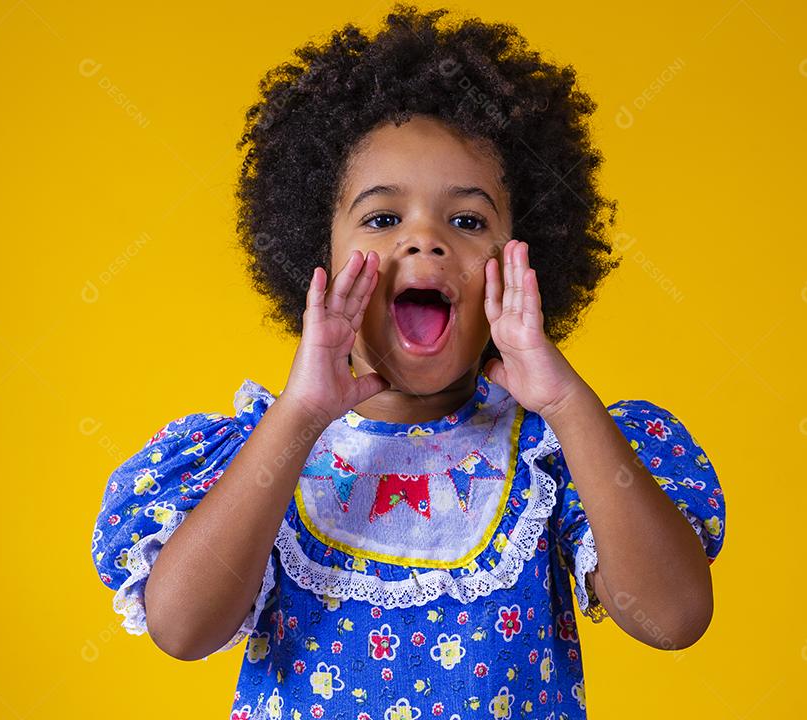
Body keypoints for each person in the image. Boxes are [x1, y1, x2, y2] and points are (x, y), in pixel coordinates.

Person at [89, 5, 726, 718]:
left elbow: (674, 618)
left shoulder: (552, 456)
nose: (424, 240)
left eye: (467, 221)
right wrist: (299, 416)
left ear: (523, 262)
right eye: (383, 218)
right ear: (316, 256)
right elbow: (182, 629)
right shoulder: (264, 456)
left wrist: (568, 405)